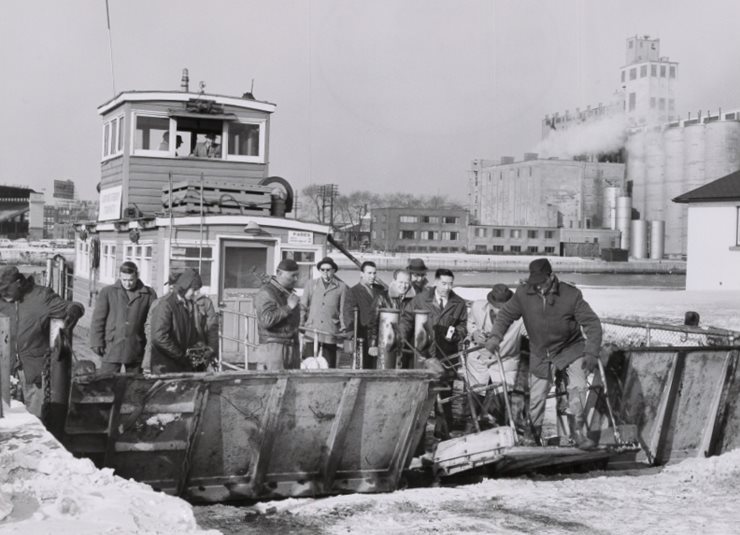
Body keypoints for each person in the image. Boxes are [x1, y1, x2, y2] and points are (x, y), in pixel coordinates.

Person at [485, 258, 602, 449]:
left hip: (570, 349)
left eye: (541, 281)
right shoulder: (523, 294)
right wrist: (495, 336)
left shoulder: (571, 295)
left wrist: (591, 352)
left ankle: (578, 433)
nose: (538, 286)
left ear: (551, 276)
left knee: (577, 387)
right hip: (540, 351)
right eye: (534, 282)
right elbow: (505, 315)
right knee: (537, 395)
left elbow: (593, 324)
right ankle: (532, 435)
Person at [0, 266, 84, 418]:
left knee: (35, 417)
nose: (3, 293)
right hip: (6, 367)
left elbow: (71, 306)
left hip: (34, 369)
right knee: (7, 417)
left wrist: (74, 311)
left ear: (19, 283)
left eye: (6, 289)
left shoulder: (42, 296)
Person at [401, 268, 467, 439]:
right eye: (444, 283)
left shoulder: (458, 303)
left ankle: (444, 433)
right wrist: (401, 338)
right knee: (422, 396)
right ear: (436, 282)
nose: (447, 287)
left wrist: (457, 333)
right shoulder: (421, 299)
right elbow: (407, 319)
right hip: (424, 355)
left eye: (450, 284)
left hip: (447, 355)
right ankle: (418, 435)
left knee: (446, 395)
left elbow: (463, 324)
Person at [464, 284, 526, 431]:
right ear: (490, 305)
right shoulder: (477, 307)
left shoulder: (523, 319)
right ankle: (470, 432)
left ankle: (504, 432)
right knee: (474, 399)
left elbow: (537, 336)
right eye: (498, 307)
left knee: (503, 402)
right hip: (479, 360)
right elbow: (470, 323)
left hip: (505, 362)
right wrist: (473, 334)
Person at [89, 261, 157, 374]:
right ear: (120, 276)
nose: (128, 284)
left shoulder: (148, 294)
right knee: (106, 382)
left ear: (137, 276)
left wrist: (151, 347)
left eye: (131, 280)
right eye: (124, 280)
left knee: (134, 385)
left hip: (136, 346)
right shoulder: (108, 292)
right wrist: (96, 342)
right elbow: (98, 319)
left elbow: (153, 320)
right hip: (112, 345)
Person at [149, 268, 203, 374]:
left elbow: (188, 333)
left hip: (179, 364)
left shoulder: (186, 304)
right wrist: (180, 356)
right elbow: (159, 337)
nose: (196, 293)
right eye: (194, 289)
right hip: (165, 365)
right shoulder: (166, 305)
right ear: (185, 286)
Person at [254, 259, 302, 370]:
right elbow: (266, 320)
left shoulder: (287, 292)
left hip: (290, 347)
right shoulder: (266, 293)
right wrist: (288, 307)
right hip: (273, 348)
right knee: (271, 384)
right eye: (292, 275)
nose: (296, 279)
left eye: (297, 275)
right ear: (279, 273)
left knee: (292, 385)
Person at [300, 257, 347, 368]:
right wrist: (302, 324)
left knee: (329, 363)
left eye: (328, 269)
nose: (325, 272)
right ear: (320, 270)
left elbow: (343, 310)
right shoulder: (311, 284)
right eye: (323, 269)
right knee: (309, 363)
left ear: (334, 270)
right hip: (312, 328)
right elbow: (303, 306)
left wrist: (343, 329)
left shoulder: (342, 287)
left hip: (330, 329)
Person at [367, 269, 416, 368]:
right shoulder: (382, 297)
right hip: (385, 344)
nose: (404, 285)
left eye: (406, 282)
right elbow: (373, 323)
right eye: (401, 282)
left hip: (405, 347)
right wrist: (372, 344)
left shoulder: (414, 300)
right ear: (394, 281)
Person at [344, 261, 387, 368]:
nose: (372, 276)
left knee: (379, 366)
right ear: (361, 274)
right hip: (362, 336)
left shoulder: (380, 290)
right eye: (369, 273)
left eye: (374, 273)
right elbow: (348, 314)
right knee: (362, 366)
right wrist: (352, 335)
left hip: (379, 335)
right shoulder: (353, 291)